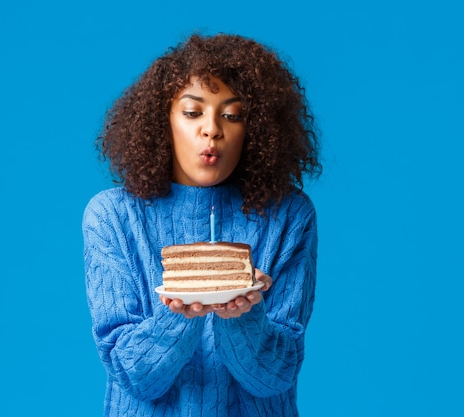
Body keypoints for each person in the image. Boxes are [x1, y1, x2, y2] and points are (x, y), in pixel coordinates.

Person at [83, 33, 322, 417]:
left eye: (232, 115)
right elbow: (135, 375)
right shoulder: (111, 216)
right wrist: (178, 311)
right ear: (164, 120)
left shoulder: (289, 215)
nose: (212, 130)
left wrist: (244, 316)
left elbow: (275, 376)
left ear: (255, 130)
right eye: (193, 112)